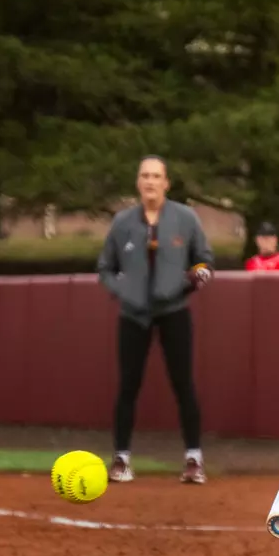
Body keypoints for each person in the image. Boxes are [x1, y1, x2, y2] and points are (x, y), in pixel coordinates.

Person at [98, 156, 213, 485]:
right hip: (133, 315)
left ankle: (194, 459)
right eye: (145, 175)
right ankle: (121, 458)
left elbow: (204, 260)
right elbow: (105, 267)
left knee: (183, 384)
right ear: (138, 182)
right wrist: (122, 290)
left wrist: (193, 280)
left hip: (174, 310)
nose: (150, 181)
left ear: (166, 183)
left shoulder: (185, 218)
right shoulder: (123, 222)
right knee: (128, 386)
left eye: (156, 176)